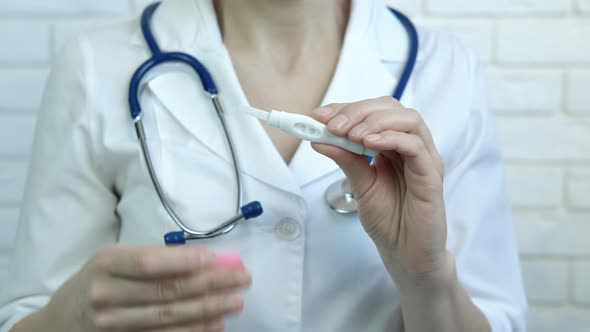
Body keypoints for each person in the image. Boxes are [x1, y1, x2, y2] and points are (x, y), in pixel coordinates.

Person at [0, 0, 527, 331]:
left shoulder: (447, 71)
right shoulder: (96, 65)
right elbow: (26, 318)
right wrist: (68, 320)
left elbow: (500, 320)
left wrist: (426, 277)